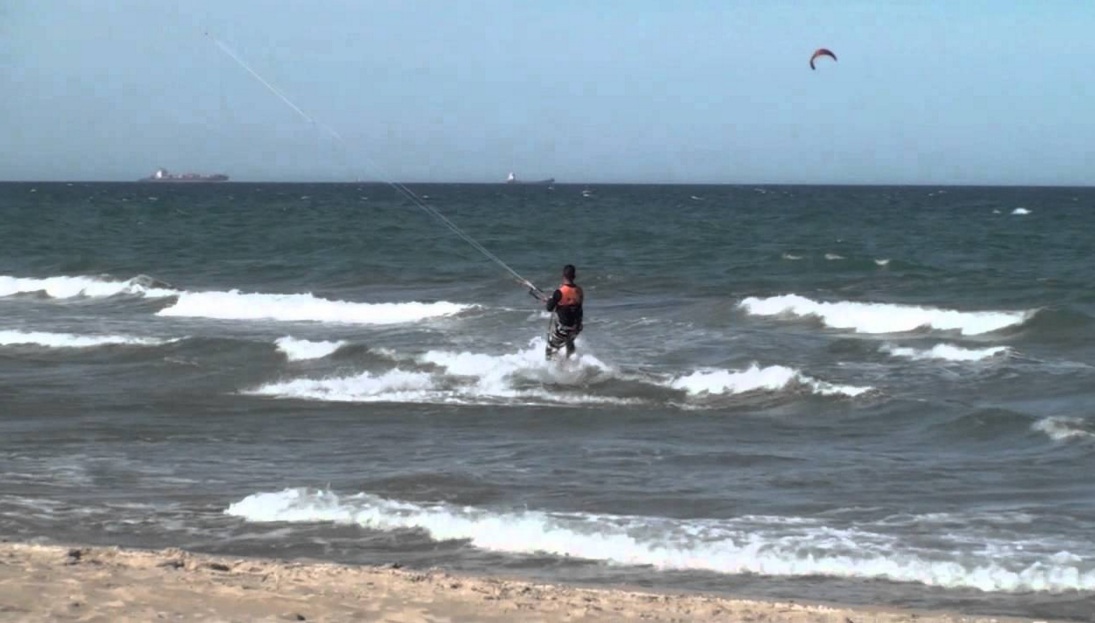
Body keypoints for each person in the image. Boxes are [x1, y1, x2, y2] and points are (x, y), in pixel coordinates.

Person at [544, 264, 584, 359]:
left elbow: (549, 308)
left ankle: (553, 369)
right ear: (574, 276)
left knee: (551, 348)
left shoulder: (559, 292)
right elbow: (574, 304)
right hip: (576, 327)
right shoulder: (579, 291)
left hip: (564, 329)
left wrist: (550, 300)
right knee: (569, 341)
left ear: (563, 276)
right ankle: (571, 361)